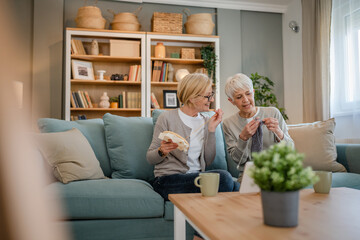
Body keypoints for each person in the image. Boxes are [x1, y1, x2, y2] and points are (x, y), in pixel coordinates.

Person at [147, 73, 240, 202]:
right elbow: (150, 158)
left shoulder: (206, 120)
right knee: (225, 179)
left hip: (195, 178)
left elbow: (208, 161)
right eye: (208, 96)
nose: (211, 100)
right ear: (192, 97)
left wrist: (212, 130)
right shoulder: (167, 118)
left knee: (236, 186)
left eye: (211, 95)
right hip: (167, 181)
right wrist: (162, 151)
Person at [223, 73, 294, 177]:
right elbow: (238, 161)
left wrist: (279, 132)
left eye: (248, 93)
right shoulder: (228, 124)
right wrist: (243, 138)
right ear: (232, 101)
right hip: (249, 175)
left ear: (254, 92)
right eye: (239, 97)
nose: (245, 100)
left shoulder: (273, 113)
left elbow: (291, 149)